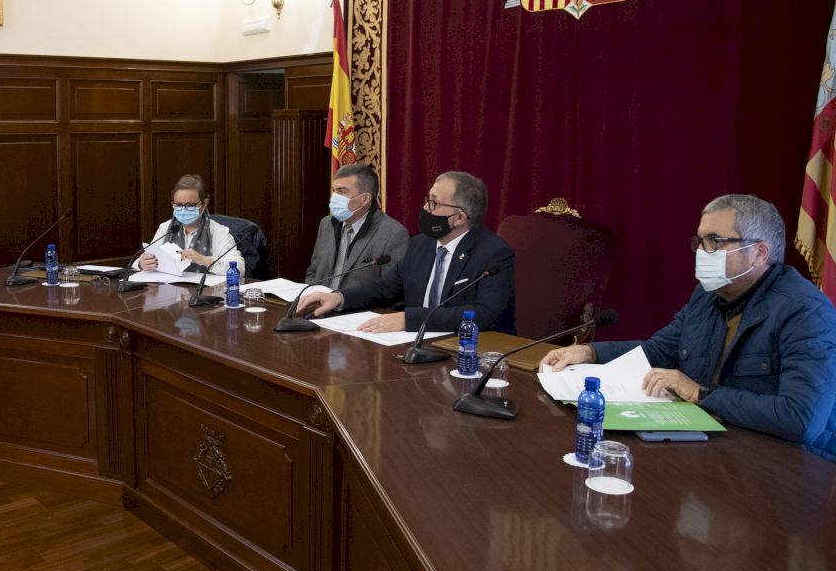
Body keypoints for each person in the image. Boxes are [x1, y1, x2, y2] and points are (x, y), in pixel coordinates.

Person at [541, 194, 836, 461]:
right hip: (712, 447)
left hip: (786, 466)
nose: (702, 252)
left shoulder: (805, 311)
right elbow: (658, 351)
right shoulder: (708, 295)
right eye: (700, 241)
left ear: (759, 253)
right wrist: (588, 353)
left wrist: (700, 393)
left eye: (715, 241)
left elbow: (801, 420)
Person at [297, 170, 515, 333]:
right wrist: (339, 297)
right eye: (427, 200)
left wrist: (409, 319)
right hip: (413, 345)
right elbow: (386, 287)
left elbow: (485, 314)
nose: (425, 209)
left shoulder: (494, 253)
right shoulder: (421, 244)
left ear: (459, 218)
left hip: (464, 349)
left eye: (434, 203)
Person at [305, 164, 408, 290]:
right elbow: (313, 272)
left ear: (365, 199)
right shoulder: (326, 224)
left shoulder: (393, 234)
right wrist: (311, 294)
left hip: (356, 303)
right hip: (317, 301)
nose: (334, 197)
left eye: (342, 192)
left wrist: (340, 300)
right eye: (334, 190)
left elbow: (390, 289)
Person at [137, 174, 245, 278]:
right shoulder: (166, 228)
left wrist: (204, 260)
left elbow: (239, 269)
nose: (183, 210)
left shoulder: (218, 232)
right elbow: (146, 258)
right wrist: (141, 264)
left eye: (190, 205)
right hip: (168, 287)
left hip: (206, 289)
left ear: (204, 203)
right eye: (178, 205)